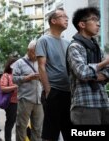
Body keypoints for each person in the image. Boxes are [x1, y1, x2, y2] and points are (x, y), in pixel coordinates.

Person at [67, 7, 109, 125]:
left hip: (103, 101)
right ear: (82, 24)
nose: (98, 24)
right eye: (94, 20)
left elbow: (107, 72)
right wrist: (104, 63)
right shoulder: (75, 46)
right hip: (85, 104)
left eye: (98, 21)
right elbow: (82, 73)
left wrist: (95, 74)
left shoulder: (97, 48)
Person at [35, 8, 71, 141]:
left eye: (67, 17)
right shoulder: (44, 40)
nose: (67, 19)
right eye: (63, 16)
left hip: (69, 91)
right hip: (53, 90)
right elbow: (41, 66)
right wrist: (48, 89)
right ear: (53, 21)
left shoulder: (68, 43)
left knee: (69, 128)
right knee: (51, 131)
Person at [13, 40, 44, 141]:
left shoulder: (42, 62)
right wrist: (27, 78)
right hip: (25, 99)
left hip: (39, 100)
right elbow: (14, 79)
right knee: (21, 126)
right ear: (28, 50)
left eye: (38, 52)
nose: (36, 55)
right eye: (34, 52)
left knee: (38, 128)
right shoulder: (19, 63)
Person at [0, 58, 18, 141]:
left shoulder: (19, 75)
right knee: (10, 122)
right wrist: (15, 86)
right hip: (11, 102)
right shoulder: (6, 75)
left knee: (20, 123)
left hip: (21, 101)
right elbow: (3, 88)